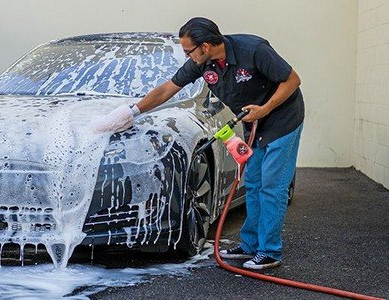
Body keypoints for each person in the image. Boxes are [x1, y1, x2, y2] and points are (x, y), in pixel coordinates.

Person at [92, 17, 304, 270]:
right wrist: (130, 113)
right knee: (255, 183)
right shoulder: (203, 63)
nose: (187, 56)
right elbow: (167, 88)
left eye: (188, 50)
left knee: (272, 186)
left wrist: (265, 108)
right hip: (253, 122)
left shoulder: (253, 49)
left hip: (282, 119)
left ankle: (269, 251)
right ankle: (249, 245)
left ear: (205, 46)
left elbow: (292, 80)